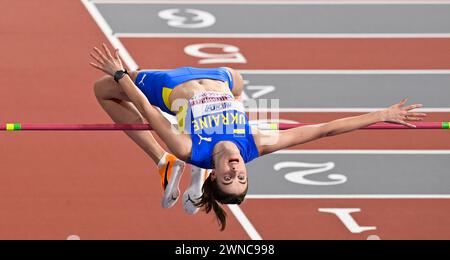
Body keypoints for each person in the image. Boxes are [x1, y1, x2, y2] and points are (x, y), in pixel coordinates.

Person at [90, 44, 427, 231]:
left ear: (217, 174)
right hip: (220, 77)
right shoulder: (258, 144)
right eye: (242, 178)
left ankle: (162, 162)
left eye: (228, 178)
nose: (236, 171)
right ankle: (181, 170)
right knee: (238, 81)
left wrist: (119, 74)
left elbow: (148, 113)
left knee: (103, 91)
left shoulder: (188, 147)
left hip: (170, 84)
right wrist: (382, 115)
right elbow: (324, 130)